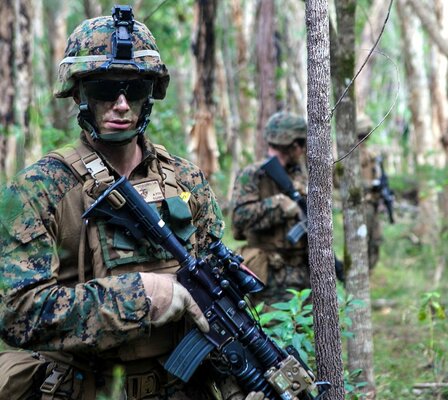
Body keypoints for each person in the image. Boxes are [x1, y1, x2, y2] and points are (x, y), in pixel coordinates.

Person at [0, 8, 263, 400]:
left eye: (134, 90)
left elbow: (213, 300)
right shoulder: (38, 189)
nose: (121, 104)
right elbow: (17, 313)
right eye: (105, 89)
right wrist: (143, 296)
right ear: (78, 93)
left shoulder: (186, 180)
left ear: (149, 97)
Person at [231, 112, 309, 306]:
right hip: (270, 271)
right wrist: (278, 206)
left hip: (303, 270)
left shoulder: (303, 172)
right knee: (274, 330)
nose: (303, 150)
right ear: (294, 145)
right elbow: (238, 220)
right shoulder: (254, 174)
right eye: (302, 145)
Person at [357, 114, 383, 270]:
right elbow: (339, 181)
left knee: (375, 242)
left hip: (373, 204)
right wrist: (368, 185)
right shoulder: (349, 153)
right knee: (361, 242)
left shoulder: (370, 153)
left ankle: (368, 273)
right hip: (360, 204)